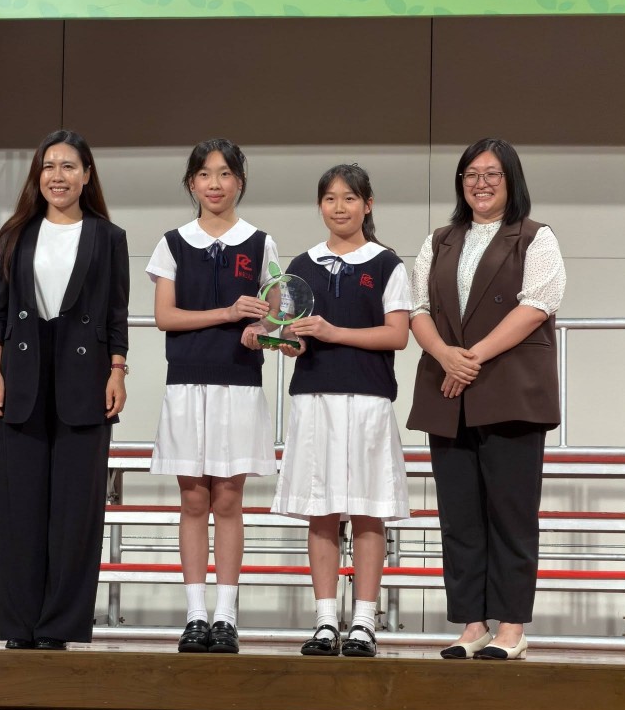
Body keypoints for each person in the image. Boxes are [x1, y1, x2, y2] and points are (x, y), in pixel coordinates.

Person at [408, 138, 566, 661]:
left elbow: (537, 305)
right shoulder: (440, 240)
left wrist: (469, 358)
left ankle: (512, 627)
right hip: (446, 392)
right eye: (471, 174)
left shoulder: (535, 237)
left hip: (510, 391)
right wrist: (444, 355)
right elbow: (418, 308)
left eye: (492, 174)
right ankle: (472, 624)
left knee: (511, 514)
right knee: (459, 517)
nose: (480, 183)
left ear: (511, 180)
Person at [0, 130, 129, 651]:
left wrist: (117, 371)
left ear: (87, 175)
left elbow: (116, 314)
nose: (57, 176)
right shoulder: (16, 234)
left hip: (84, 377)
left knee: (76, 509)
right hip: (22, 375)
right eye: (49, 166)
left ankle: (60, 627)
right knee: (18, 505)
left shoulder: (108, 237)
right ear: (38, 175)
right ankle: (20, 625)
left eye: (69, 166)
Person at [272, 164, 411, 658]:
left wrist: (333, 333)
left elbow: (397, 334)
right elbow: (290, 333)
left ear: (367, 205)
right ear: (319, 206)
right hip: (314, 398)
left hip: (369, 399)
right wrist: (284, 341)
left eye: (349, 198)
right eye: (330, 198)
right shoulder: (301, 265)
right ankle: (326, 621)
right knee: (321, 512)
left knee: (369, 512)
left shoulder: (387, 264)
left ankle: (365, 623)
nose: (339, 207)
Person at [147, 139, 278, 654]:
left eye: (225, 174)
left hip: (238, 382)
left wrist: (261, 328)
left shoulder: (261, 243)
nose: (215, 184)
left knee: (228, 499)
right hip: (186, 382)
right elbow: (165, 317)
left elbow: (275, 315)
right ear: (191, 183)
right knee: (193, 500)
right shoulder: (172, 243)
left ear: (239, 182)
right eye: (205, 174)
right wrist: (227, 313)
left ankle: (226, 616)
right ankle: (195, 615)